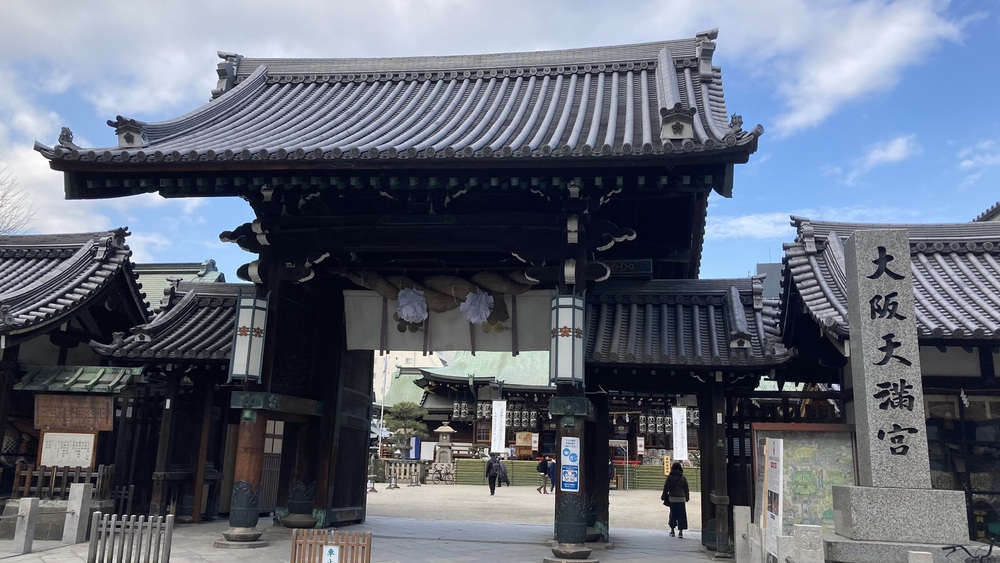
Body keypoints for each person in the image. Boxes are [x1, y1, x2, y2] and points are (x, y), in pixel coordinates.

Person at [661, 461, 690, 538]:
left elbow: (666, 488)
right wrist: (687, 497)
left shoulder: (670, 477)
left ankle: (672, 531)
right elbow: (686, 489)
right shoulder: (683, 478)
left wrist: (663, 496)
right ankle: (680, 532)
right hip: (681, 498)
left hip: (672, 498)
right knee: (681, 515)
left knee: (673, 514)